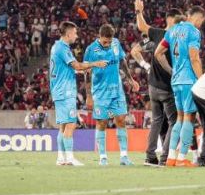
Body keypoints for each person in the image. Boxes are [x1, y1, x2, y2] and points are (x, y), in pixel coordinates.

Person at [50, 21, 107, 166]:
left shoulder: (57, 47)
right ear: (68, 34)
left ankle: (61, 158)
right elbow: (76, 65)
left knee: (63, 126)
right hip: (65, 91)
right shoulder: (62, 48)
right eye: (75, 33)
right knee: (71, 124)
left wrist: (80, 70)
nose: (76, 36)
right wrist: (95, 64)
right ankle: (69, 158)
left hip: (59, 90)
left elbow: (66, 68)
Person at [154, 6, 205, 167]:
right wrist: (202, 79)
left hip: (176, 80)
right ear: (198, 18)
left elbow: (158, 53)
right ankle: (182, 158)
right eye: (201, 21)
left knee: (179, 118)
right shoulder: (194, 32)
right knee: (189, 118)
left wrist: (171, 70)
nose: (201, 24)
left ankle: (171, 157)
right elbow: (194, 57)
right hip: (189, 80)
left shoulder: (172, 30)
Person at [134, 0, 182, 166]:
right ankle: (165, 157)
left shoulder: (156, 34)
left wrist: (139, 12)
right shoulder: (176, 38)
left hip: (153, 86)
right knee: (174, 122)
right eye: (178, 21)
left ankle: (150, 156)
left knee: (156, 121)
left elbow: (142, 28)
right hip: (168, 88)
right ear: (171, 19)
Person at [83, 24, 139, 166]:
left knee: (121, 120)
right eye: (105, 42)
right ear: (99, 36)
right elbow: (86, 73)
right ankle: (103, 157)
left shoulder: (116, 43)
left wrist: (130, 79)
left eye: (109, 41)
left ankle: (124, 157)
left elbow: (122, 61)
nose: (107, 44)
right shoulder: (91, 50)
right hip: (100, 93)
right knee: (102, 122)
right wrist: (88, 95)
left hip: (117, 91)